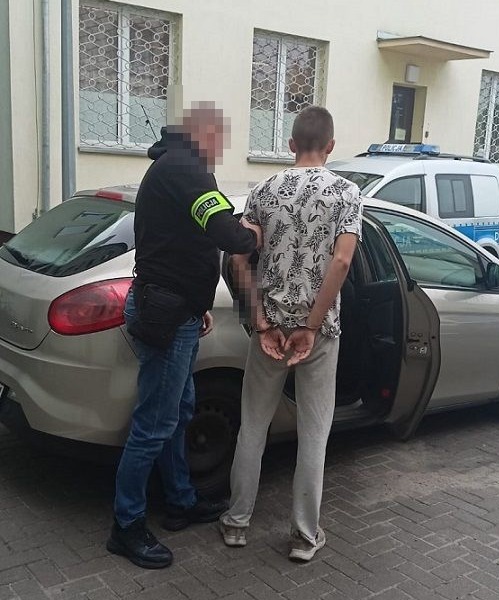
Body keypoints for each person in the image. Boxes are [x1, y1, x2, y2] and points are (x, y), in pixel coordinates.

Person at [107, 103, 261, 570]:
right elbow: (225, 233)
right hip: (168, 315)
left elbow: (183, 241)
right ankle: (126, 526)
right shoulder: (186, 168)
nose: (221, 147)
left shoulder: (173, 166)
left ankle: (180, 500)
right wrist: (254, 233)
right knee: (154, 423)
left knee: (178, 413)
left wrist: (198, 306)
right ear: (202, 135)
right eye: (219, 137)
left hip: (178, 310)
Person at [219, 106, 362, 562]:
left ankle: (236, 523)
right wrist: (311, 325)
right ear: (331, 146)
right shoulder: (347, 193)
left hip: (269, 329)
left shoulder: (263, 190)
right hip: (317, 332)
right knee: (314, 433)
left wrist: (260, 321)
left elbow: (238, 259)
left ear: (291, 144)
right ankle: (304, 536)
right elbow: (342, 262)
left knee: (253, 426)